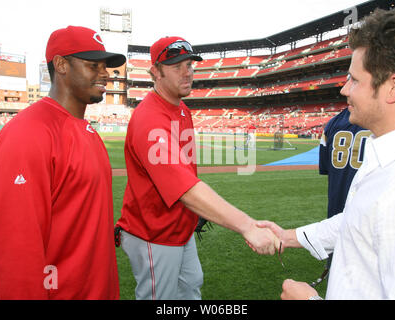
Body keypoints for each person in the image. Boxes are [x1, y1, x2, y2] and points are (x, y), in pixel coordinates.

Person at [261, 7, 395, 299]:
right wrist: (288, 236)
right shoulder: (391, 151)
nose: (343, 90)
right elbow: (361, 221)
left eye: (354, 80)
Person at [115, 36, 279, 300]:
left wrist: (190, 214)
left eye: (189, 64)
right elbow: (184, 187)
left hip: (179, 226)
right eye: (176, 65)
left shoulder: (182, 109)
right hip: (153, 231)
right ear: (155, 72)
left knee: (191, 286)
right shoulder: (150, 118)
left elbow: (185, 173)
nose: (187, 71)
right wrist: (247, 225)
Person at [0, 26, 126, 299]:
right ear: (61, 65)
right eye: (93, 65)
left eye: (105, 66)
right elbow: (18, 255)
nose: (105, 74)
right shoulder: (28, 135)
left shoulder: (86, 131)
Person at [313, 108, 371, 284]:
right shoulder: (385, 121)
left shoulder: (333, 123)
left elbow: (326, 168)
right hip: (370, 214)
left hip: (337, 208)